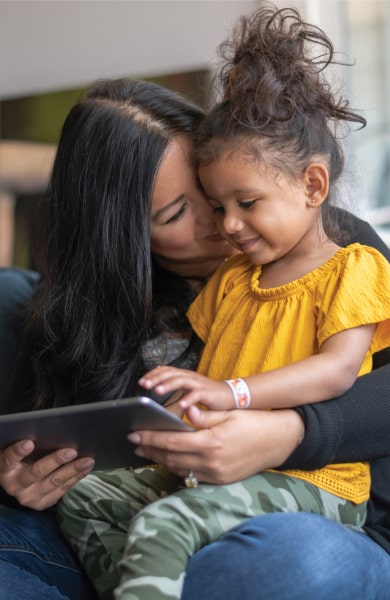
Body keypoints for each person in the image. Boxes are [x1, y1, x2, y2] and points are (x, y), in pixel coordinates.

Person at [0, 32, 390, 600]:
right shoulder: (108, 314)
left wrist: (287, 433)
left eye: (229, 195)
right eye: (184, 210)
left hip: (306, 509)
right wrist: (24, 482)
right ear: (125, 241)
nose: (224, 223)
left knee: (297, 562)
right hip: (155, 512)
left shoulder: (325, 245)